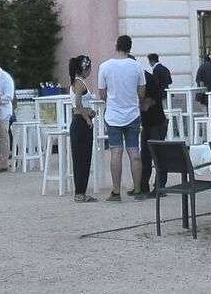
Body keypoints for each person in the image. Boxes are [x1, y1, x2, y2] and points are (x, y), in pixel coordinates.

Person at [97, 34, 146, 202]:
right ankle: (138, 190)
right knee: (134, 152)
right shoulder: (137, 66)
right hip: (133, 114)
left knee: (115, 153)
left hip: (113, 115)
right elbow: (141, 93)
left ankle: (116, 192)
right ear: (130, 48)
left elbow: (102, 94)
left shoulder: (104, 67)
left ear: (116, 46)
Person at [139, 53, 172, 196]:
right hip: (149, 123)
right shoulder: (143, 77)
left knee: (156, 155)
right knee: (145, 155)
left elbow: (147, 104)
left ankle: (159, 186)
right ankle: (143, 185)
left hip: (156, 122)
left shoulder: (147, 79)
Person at [67, 55, 97, 203]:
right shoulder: (79, 83)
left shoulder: (76, 82)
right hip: (81, 122)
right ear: (84, 68)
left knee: (83, 158)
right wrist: (87, 117)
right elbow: (78, 103)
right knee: (82, 158)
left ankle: (81, 191)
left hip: (79, 121)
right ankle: (80, 192)